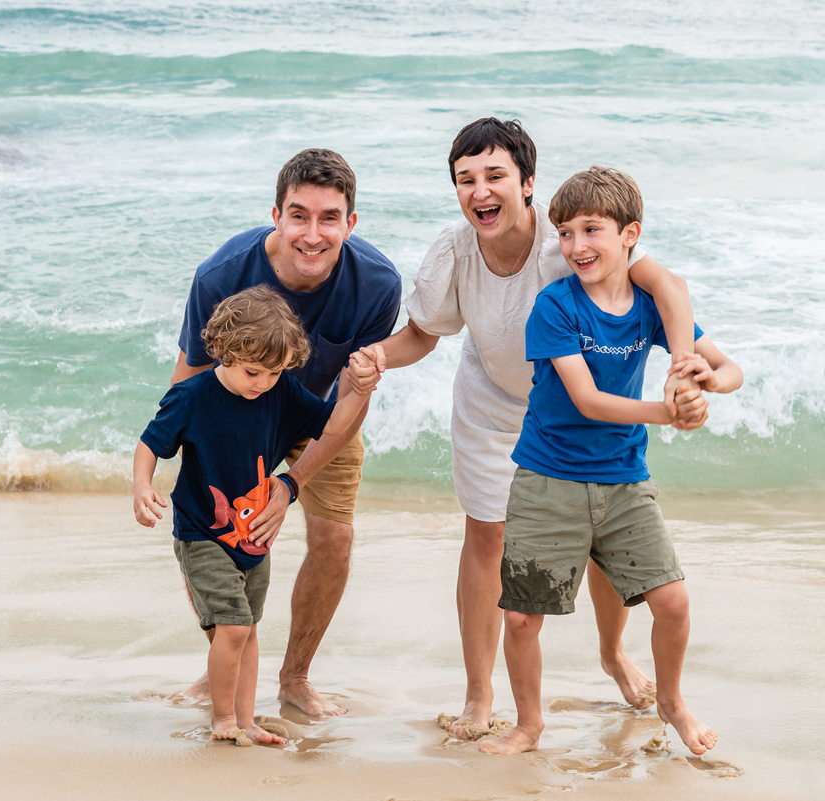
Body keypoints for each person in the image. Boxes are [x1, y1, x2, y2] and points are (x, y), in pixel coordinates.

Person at [363, 118, 705, 739]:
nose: (480, 191)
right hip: (490, 406)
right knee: (487, 537)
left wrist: (681, 368)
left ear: (528, 184)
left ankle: (613, 654)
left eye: (495, 175)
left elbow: (670, 290)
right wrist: (378, 355)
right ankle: (478, 694)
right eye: (465, 180)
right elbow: (423, 334)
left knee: (601, 538)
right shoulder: (455, 250)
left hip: (577, 407)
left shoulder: (572, 238)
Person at [475, 165, 743, 756]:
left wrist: (704, 381)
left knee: (671, 601)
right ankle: (528, 723)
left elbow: (730, 369)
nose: (575, 246)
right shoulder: (554, 305)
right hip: (548, 479)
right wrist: (669, 412)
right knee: (522, 617)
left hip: (625, 480)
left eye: (591, 230)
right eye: (565, 233)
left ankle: (671, 701)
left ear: (630, 234)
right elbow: (588, 401)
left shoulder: (650, 306)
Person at [170, 148, 402, 716]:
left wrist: (290, 484)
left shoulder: (377, 284)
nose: (312, 234)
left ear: (351, 223)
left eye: (329, 218)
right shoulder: (222, 276)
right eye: (299, 215)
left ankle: (294, 679)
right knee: (215, 536)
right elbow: (187, 388)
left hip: (318, 417)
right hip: (228, 415)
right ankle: (226, 669)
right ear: (276, 215)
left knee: (334, 540)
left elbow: (352, 400)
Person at [133, 286, 383, 745]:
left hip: (253, 540)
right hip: (200, 533)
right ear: (224, 351)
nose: (263, 382)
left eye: (274, 372)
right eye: (253, 371)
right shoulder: (191, 397)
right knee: (232, 626)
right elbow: (151, 443)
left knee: (247, 632)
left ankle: (245, 720)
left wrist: (358, 390)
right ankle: (222, 720)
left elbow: (331, 425)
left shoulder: (279, 390)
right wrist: (143, 485)